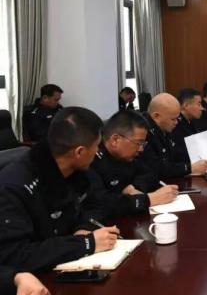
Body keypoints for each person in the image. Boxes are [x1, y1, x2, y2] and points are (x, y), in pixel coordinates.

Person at [0, 107, 120, 272]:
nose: (98, 151)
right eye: (96, 146)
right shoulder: (14, 186)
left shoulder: (77, 170)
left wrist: (83, 227)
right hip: (34, 279)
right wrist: (86, 243)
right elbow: (15, 256)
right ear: (79, 152)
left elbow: (95, 205)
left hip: (69, 262)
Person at [89, 110, 178, 217]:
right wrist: (149, 199)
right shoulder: (92, 160)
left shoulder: (128, 155)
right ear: (115, 140)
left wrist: (134, 187)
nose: (141, 149)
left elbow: (150, 174)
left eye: (143, 144)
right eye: (138, 143)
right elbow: (102, 204)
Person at [140, 93, 207, 179]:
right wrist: (189, 168)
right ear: (156, 116)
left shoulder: (165, 127)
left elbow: (174, 157)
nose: (176, 122)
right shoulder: (143, 133)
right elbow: (156, 168)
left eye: (177, 118)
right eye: (173, 119)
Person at [170, 88, 204, 163]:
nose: (202, 108)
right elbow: (180, 155)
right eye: (199, 104)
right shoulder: (176, 125)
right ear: (186, 105)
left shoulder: (191, 121)